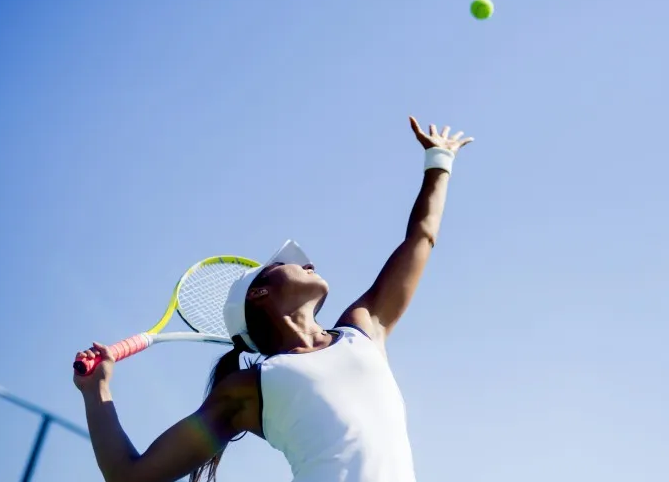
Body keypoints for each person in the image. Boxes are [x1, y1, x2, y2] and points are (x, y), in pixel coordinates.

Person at [72, 116, 474, 482]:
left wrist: (439, 160)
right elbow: (129, 477)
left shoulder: (364, 327)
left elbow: (421, 238)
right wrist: (96, 390)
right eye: (287, 262)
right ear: (259, 293)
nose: (308, 262)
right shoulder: (247, 388)